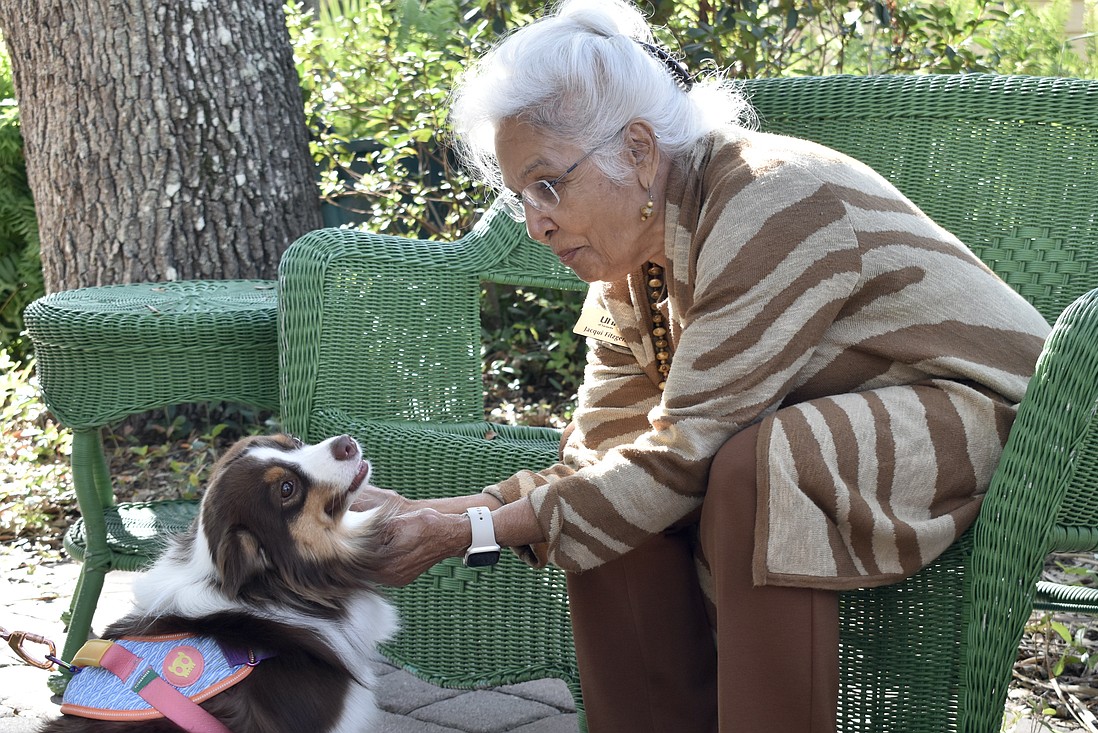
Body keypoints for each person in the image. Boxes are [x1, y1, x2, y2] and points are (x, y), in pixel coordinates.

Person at [356, 0, 1053, 730]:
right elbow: (599, 458)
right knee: (613, 501)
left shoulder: (769, 196)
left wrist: (470, 530)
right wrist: (433, 515)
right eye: (520, 196)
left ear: (637, 150)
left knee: (762, 465)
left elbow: (686, 454)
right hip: (851, 427)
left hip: (1000, 418)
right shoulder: (627, 269)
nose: (536, 223)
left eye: (548, 185)